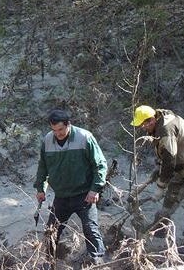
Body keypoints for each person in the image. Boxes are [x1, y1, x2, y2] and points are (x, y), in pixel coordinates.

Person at [130, 105, 184, 254]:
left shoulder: (165, 130)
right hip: (181, 163)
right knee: (171, 196)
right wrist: (158, 169)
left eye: (144, 124)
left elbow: (169, 160)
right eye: (141, 125)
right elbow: (166, 155)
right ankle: (161, 227)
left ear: (151, 120)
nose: (142, 127)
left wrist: (160, 187)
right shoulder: (160, 121)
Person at [34, 109, 108, 265]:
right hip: (61, 196)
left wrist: (95, 189)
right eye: (54, 130)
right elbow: (43, 167)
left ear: (68, 124)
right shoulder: (48, 140)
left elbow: (100, 165)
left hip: (84, 195)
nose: (57, 133)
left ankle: (98, 262)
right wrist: (40, 188)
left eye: (60, 129)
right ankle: (48, 263)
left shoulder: (84, 137)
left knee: (90, 229)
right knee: (51, 231)